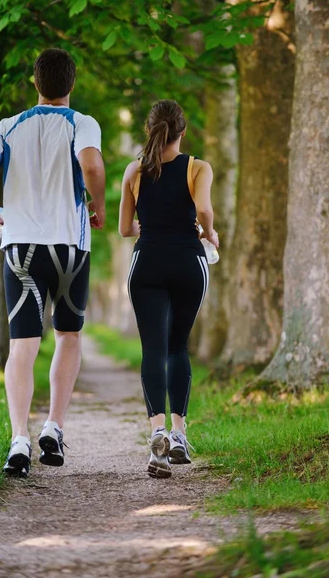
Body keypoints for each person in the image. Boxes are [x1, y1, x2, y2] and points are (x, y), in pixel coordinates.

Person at [0, 48, 105, 478]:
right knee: (68, 337)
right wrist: (96, 206)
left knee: (23, 347)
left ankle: (19, 441)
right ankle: (53, 428)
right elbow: (92, 164)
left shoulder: (9, 126)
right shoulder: (82, 123)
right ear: (73, 83)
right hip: (69, 247)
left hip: (21, 247)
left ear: (34, 81)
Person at [118, 99, 219, 478]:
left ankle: (156, 432)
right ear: (183, 132)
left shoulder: (134, 171)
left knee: (152, 349)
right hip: (188, 264)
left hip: (146, 263)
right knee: (178, 346)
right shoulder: (198, 167)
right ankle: (179, 434)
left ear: (149, 131)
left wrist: (151, 226)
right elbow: (205, 211)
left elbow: (125, 229)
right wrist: (209, 233)